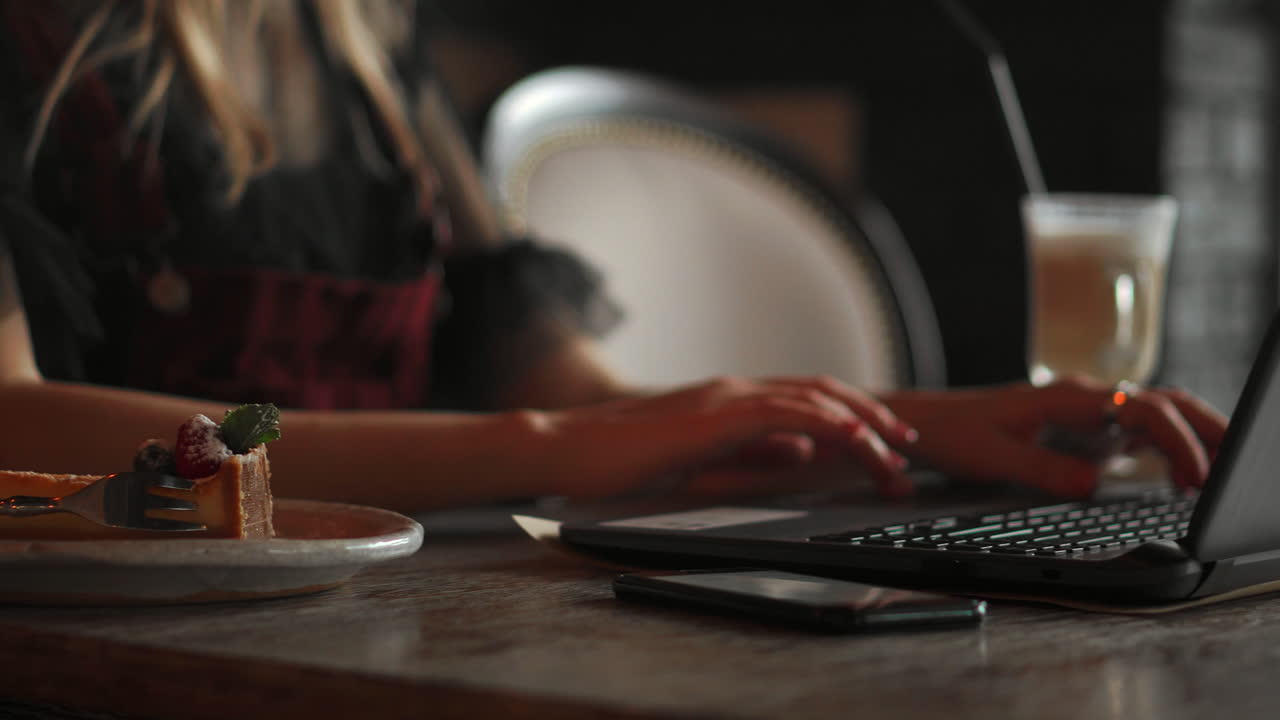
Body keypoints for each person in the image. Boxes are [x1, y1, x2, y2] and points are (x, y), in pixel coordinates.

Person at [0, 0, 1226, 513]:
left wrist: (918, 430)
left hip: (395, 619)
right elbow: (16, 422)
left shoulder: (369, 51)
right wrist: (541, 452)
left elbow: (574, 400)